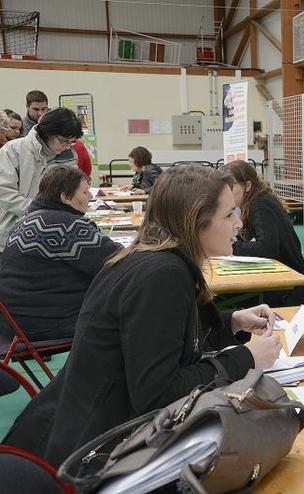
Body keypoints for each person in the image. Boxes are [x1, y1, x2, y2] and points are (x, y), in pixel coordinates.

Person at [3, 165, 282, 467]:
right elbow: (158, 393)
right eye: (228, 214)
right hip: (90, 455)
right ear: (197, 221)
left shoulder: (152, 261)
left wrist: (232, 321)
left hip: (73, 431)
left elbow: (164, 336)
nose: (239, 223)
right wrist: (246, 359)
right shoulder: (163, 276)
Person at [0, 166, 121, 341]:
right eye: (85, 192)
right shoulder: (67, 226)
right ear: (65, 197)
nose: (90, 197)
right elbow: (117, 259)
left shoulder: (24, 221)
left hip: (14, 324)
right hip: (51, 324)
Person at [0, 107, 82, 264]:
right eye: (63, 141)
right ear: (48, 133)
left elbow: (71, 192)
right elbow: (4, 191)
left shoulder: (68, 160)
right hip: (9, 235)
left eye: (71, 142)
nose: (66, 146)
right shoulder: (13, 150)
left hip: (50, 236)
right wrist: (39, 212)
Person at [224, 160, 304, 305]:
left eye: (231, 186)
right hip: (277, 276)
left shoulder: (260, 205)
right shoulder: (257, 201)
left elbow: (267, 248)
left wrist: (229, 248)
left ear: (247, 186)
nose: (226, 191)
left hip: (285, 285)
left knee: (222, 297)